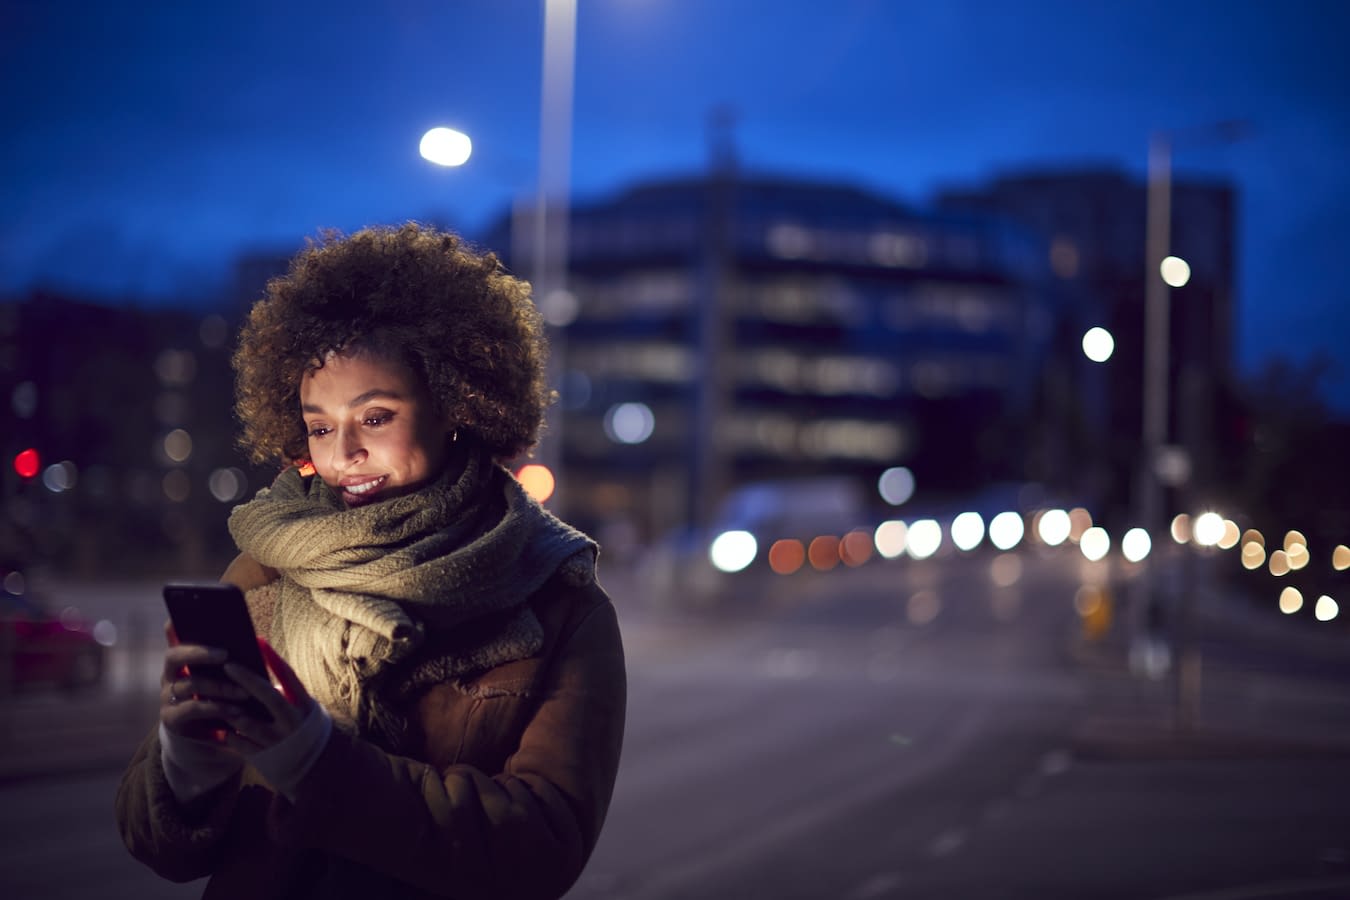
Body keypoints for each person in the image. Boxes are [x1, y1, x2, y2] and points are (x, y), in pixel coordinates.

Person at [116, 223, 627, 900]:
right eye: (320, 426)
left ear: (454, 404)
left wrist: (314, 760)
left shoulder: (560, 604)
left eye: (376, 417)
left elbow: (541, 849)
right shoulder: (266, 570)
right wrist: (188, 761)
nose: (341, 455)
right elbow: (165, 851)